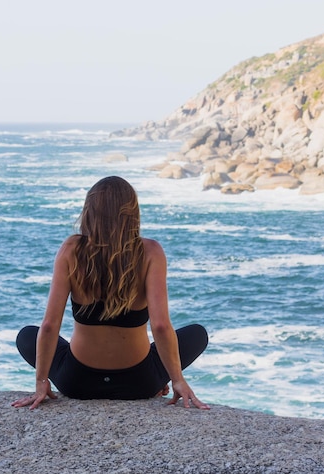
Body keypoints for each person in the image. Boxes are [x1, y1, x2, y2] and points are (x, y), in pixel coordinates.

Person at [12, 176, 209, 410]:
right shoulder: (150, 252)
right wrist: (177, 379)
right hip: (140, 383)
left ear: (90, 211)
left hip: (77, 382)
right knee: (197, 333)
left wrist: (41, 381)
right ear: (132, 212)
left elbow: (48, 326)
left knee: (27, 335)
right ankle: (160, 381)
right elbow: (160, 326)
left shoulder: (71, 249)